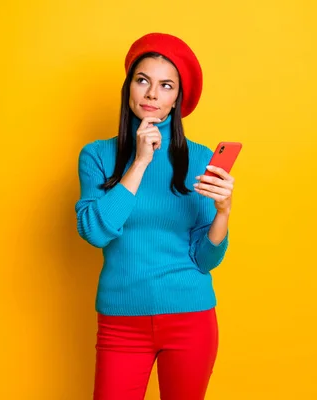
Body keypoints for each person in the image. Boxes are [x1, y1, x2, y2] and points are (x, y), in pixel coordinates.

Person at [75, 32, 236, 400]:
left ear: (177, 98)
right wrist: (140, 163)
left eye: (166, 86)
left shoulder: (199, 158)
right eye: (143, 80)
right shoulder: (97, 156)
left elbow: (205, 259)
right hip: (121, 321)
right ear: (129, 86)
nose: (151, 94)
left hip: (190, 318)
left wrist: (223, 211)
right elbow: (95, 231)